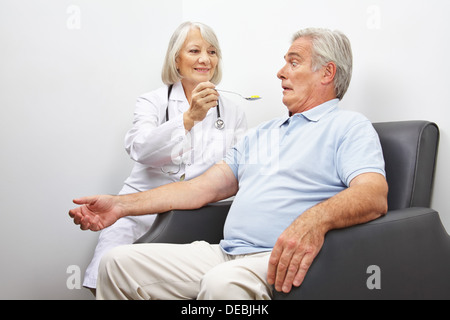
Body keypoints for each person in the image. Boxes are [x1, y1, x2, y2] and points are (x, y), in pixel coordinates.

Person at [70, 27, 388, 300]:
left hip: (277, 257)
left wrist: (314, 221)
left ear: (327, 73)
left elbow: (373, 194)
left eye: (294, 62)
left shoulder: (348, 127)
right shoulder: (262, 133)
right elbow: (199, 189)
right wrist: (120, 205)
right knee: (116, 263)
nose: (281, 72)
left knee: (221, 284)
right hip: (226, 252)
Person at [81, 21, 247, 291]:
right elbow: (140, 149)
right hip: (137, 215)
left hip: (196, 218)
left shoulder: (232, 111)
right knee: (104, 275)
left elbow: (236, 170)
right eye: (194, 51)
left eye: (212, 51)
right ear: (176, 60)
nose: (205, 59)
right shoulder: (152, 102)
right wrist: (189, 118)